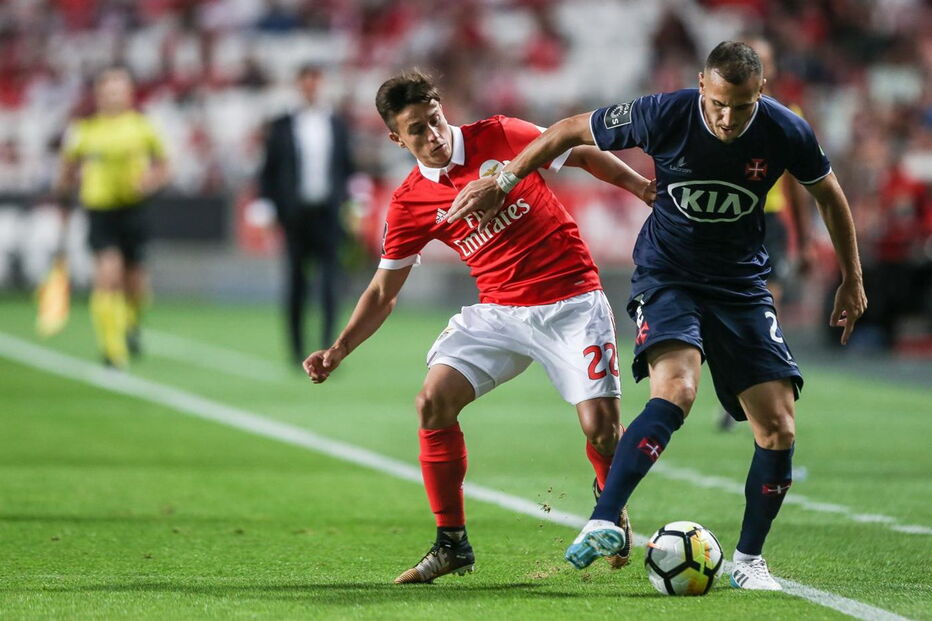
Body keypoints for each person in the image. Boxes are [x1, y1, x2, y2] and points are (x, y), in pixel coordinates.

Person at [447, 41, 867, 590]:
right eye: (717, 103)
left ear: (760, 92)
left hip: (741, 286)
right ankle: (603, 519)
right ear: (701, 85)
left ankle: (749, 561)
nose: (727, 117)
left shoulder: (786, 130)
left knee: (779, 427)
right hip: (668, 276)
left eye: (741, 106)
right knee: (677, 392)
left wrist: (853, 278)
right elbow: (568, 130)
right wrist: (501, 182)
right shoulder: (664, 112)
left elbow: (830, 197)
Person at [303, 69, 655, 584]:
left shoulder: (500, 134)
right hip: (497, 314)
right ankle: (452, 545)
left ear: (444, 109)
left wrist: (641, 186)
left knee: (602, 431)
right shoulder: (408, 203)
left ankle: (610, 513)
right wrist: (338, 349)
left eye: (436, 120)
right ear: (396, 138)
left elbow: (577, 151)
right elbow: (383, 290)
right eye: (417, 130)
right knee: (431, 402)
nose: (433, 135)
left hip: (572, 301)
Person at [716, 35, 814, 431]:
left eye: (768, 60)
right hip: (725, 219)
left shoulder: (787, 118)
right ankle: (738, 382)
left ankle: (751, 384)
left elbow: (799, 185)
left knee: (763, 303)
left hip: (767, 220)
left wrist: (803, 241)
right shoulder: (718, 112)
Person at [56, 67, 170, 367]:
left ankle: (130, 323)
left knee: (137, 285)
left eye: (119, 90)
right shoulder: (84, 130)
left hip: (134, 208)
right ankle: (112, 349)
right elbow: (66, 172)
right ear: (98, 95)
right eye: (108, 91)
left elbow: (164, 166)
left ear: (129, 94)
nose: (113, 96)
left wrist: (151, 181)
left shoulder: (143, 126)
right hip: (101, 209)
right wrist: (64, 204)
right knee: (108, 275)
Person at [258, 64, 355, 365]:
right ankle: (296, 349)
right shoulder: (282, 124)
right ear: (299, 85)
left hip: (328, 213)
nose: (312, 86)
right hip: (295, 214)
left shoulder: (336, 124)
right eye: (307, 81)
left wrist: (353, 203)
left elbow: (347, 168)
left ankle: (329, 349)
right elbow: (270, 170)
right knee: (296, 283)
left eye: (316, 80)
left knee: (329, 284)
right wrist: (267, 207)